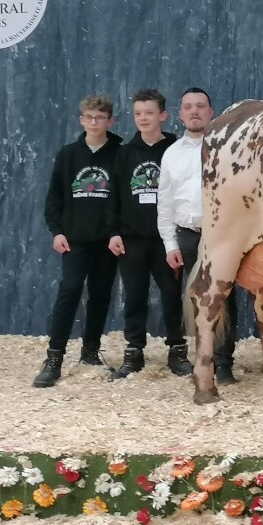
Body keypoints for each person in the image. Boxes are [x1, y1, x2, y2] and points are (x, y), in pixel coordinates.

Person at [34, 94, 124, 387]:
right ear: (81, 120)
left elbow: (123, 199)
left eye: (100, 117)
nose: (94, 122)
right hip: (74, 240)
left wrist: (116, 232)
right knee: (70, 290)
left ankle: (90, 351)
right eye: (88, 117)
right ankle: (54, 356)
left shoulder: (120, 153)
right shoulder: (68, 154)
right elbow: (54, 198)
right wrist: (56, 231)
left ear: (109, 121)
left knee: (100, 295)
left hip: (107, 241)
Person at [107, 88, 191, 380]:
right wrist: (114, 233)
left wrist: (177, 237)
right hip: (132, 239)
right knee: (134, 297)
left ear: (163, 116)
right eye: (138, 113)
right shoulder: (124, 153)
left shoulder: (177, 149)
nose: (143, 118)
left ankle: (178, 351)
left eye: (149, 113)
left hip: (166, 241)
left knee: (171, 295)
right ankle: (134, 353)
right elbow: (114, 196)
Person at [157, 87, 239, 384]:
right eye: (188, 107)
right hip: (188, 236)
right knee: (195, 300)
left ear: (211, 111)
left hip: (222, 236)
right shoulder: (171, 154)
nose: (194, 111)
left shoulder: (228, 150)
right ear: (180, 114)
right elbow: (165, 204)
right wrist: (170, 244)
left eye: (200, 106)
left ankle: (224, 362)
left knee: (225, 299)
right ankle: (201, 359)